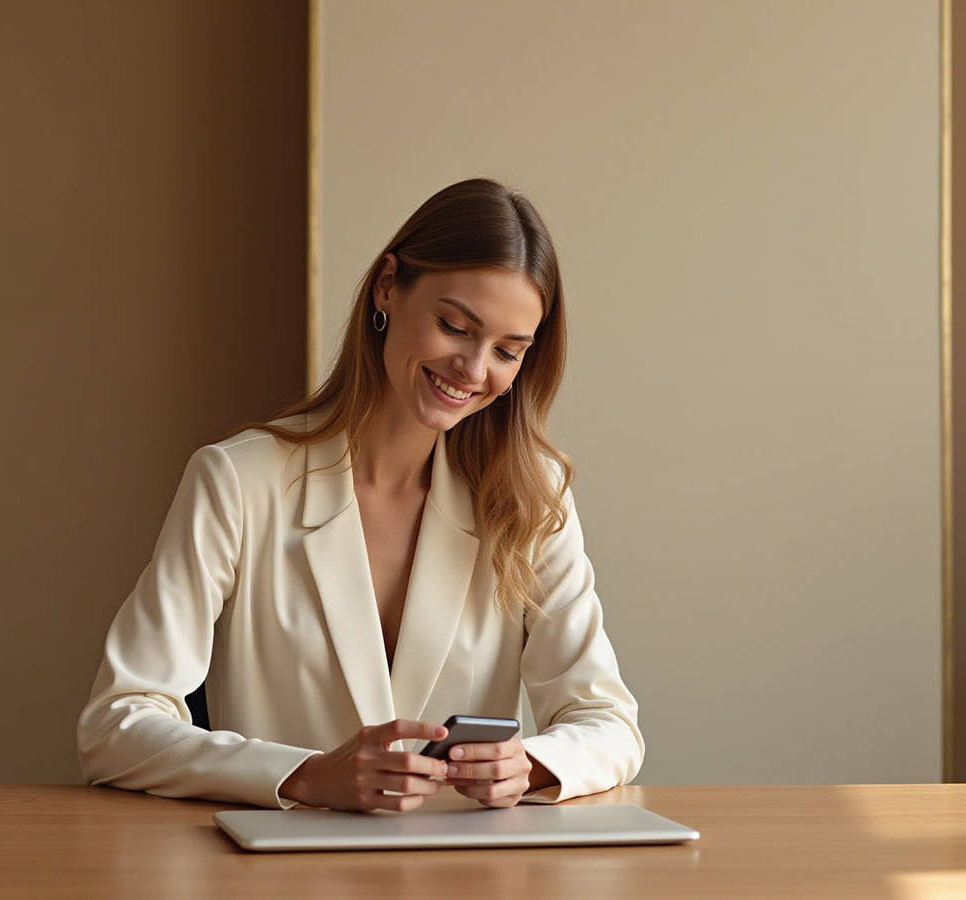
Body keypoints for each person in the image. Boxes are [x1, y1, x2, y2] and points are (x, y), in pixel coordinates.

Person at [76, 177, 642, 812]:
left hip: (464, 863)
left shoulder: (529, 498)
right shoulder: (237, 481)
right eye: (454, 326)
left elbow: (609, 723)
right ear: (387, 287)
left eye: (508, 352)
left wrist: (531, 765)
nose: (475, 369)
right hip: (287, 860)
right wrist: (305, 775)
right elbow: (116, 724)